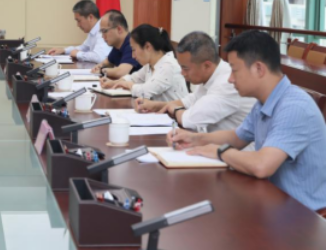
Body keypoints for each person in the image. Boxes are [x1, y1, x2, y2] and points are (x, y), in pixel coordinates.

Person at [169, 30, 326, 213]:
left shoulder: (294, 107)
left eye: (234, 70)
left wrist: (220, 152)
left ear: (259, 69)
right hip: (272, 201)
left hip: (303, 215)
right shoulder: (264, 102)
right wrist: (195, 139)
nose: (230, 79)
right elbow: (237, 137)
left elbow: (262, 165)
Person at [136, 31, 255, 132]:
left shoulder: (228, 82)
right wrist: (157, 105)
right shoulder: (212, 74)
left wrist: (175, 109)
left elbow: (190, 120)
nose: (182, 73)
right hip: (213, 145)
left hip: (234, 151)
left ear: (206, 66)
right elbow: (192, 100)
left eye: (185, 68)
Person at [102, 24, 188, 102]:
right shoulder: (150, 65)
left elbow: (145, 92)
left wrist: (128, 84)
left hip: (174, 114)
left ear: (148, 47)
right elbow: (133, 78)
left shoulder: (168, 65)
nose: (133, 56)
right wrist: (115, 83)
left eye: (134, 50)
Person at [91, 9, 141, 79]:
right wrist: (99, 67)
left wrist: (102, 71)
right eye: (101, 32)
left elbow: (121, 72)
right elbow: (107, 63)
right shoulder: (117, 45)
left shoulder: (131, 44)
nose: (102, 36)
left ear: (119, 29)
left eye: (104, 31)